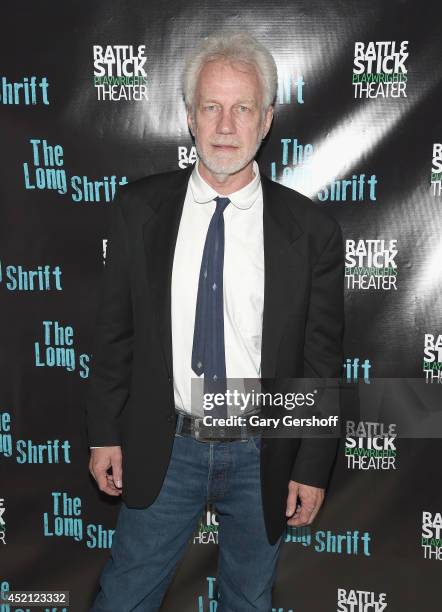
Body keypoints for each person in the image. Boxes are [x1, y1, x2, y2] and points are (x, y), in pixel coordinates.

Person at [86, 30, 345, 612]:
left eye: (242, 108)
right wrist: (104, 429)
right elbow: (114, 333)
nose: (226, 126)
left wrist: (311, 464)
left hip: (263, 450)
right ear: (189, 118)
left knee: (248, 602)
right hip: (164, 444)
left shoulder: (312, 232)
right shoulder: (138, 210)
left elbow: (321, 359)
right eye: (212, 107)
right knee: (124, 597)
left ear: (266, 120)